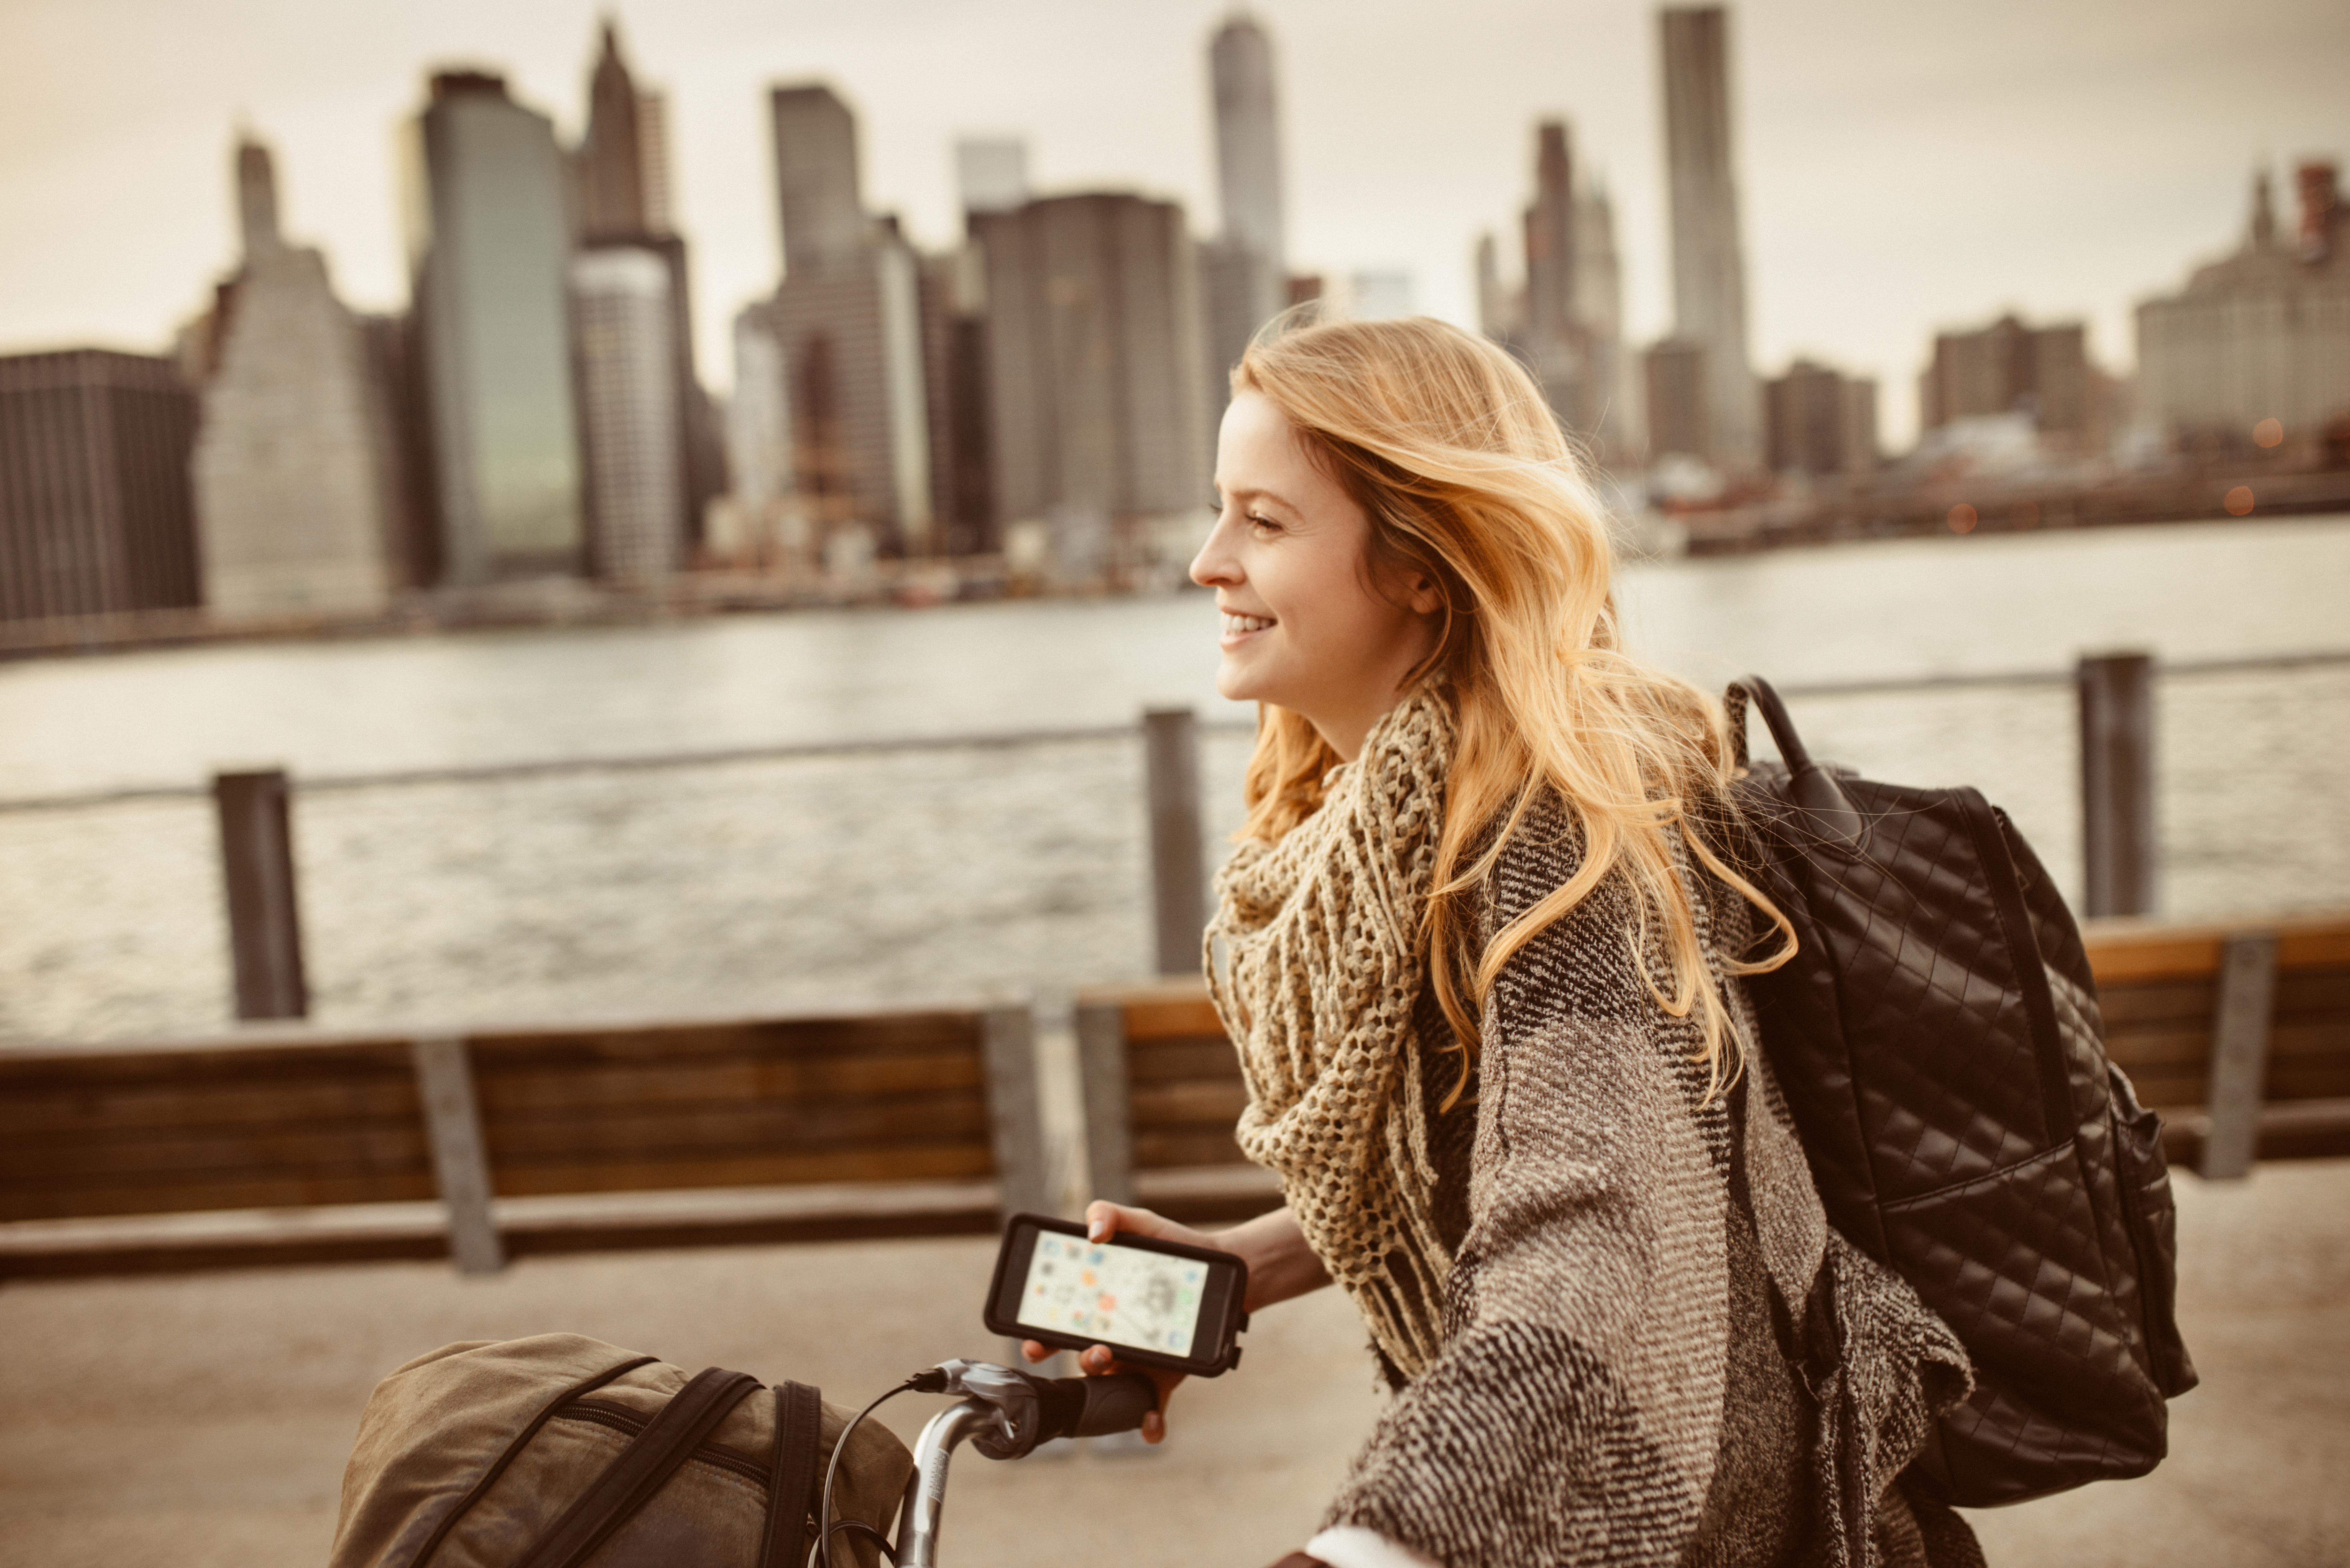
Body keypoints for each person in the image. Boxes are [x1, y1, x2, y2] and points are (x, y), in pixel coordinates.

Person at [1027, 315, 1979, 1568]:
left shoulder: (1556, 832)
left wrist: (1371, 1549)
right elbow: (1529, 1142)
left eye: (1263, 521)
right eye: (1221, 512)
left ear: (1424, 562)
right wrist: (1239, 1267)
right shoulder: (1392, 829)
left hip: (1754, 1530)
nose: (1209, 561)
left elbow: (1599, 1243)